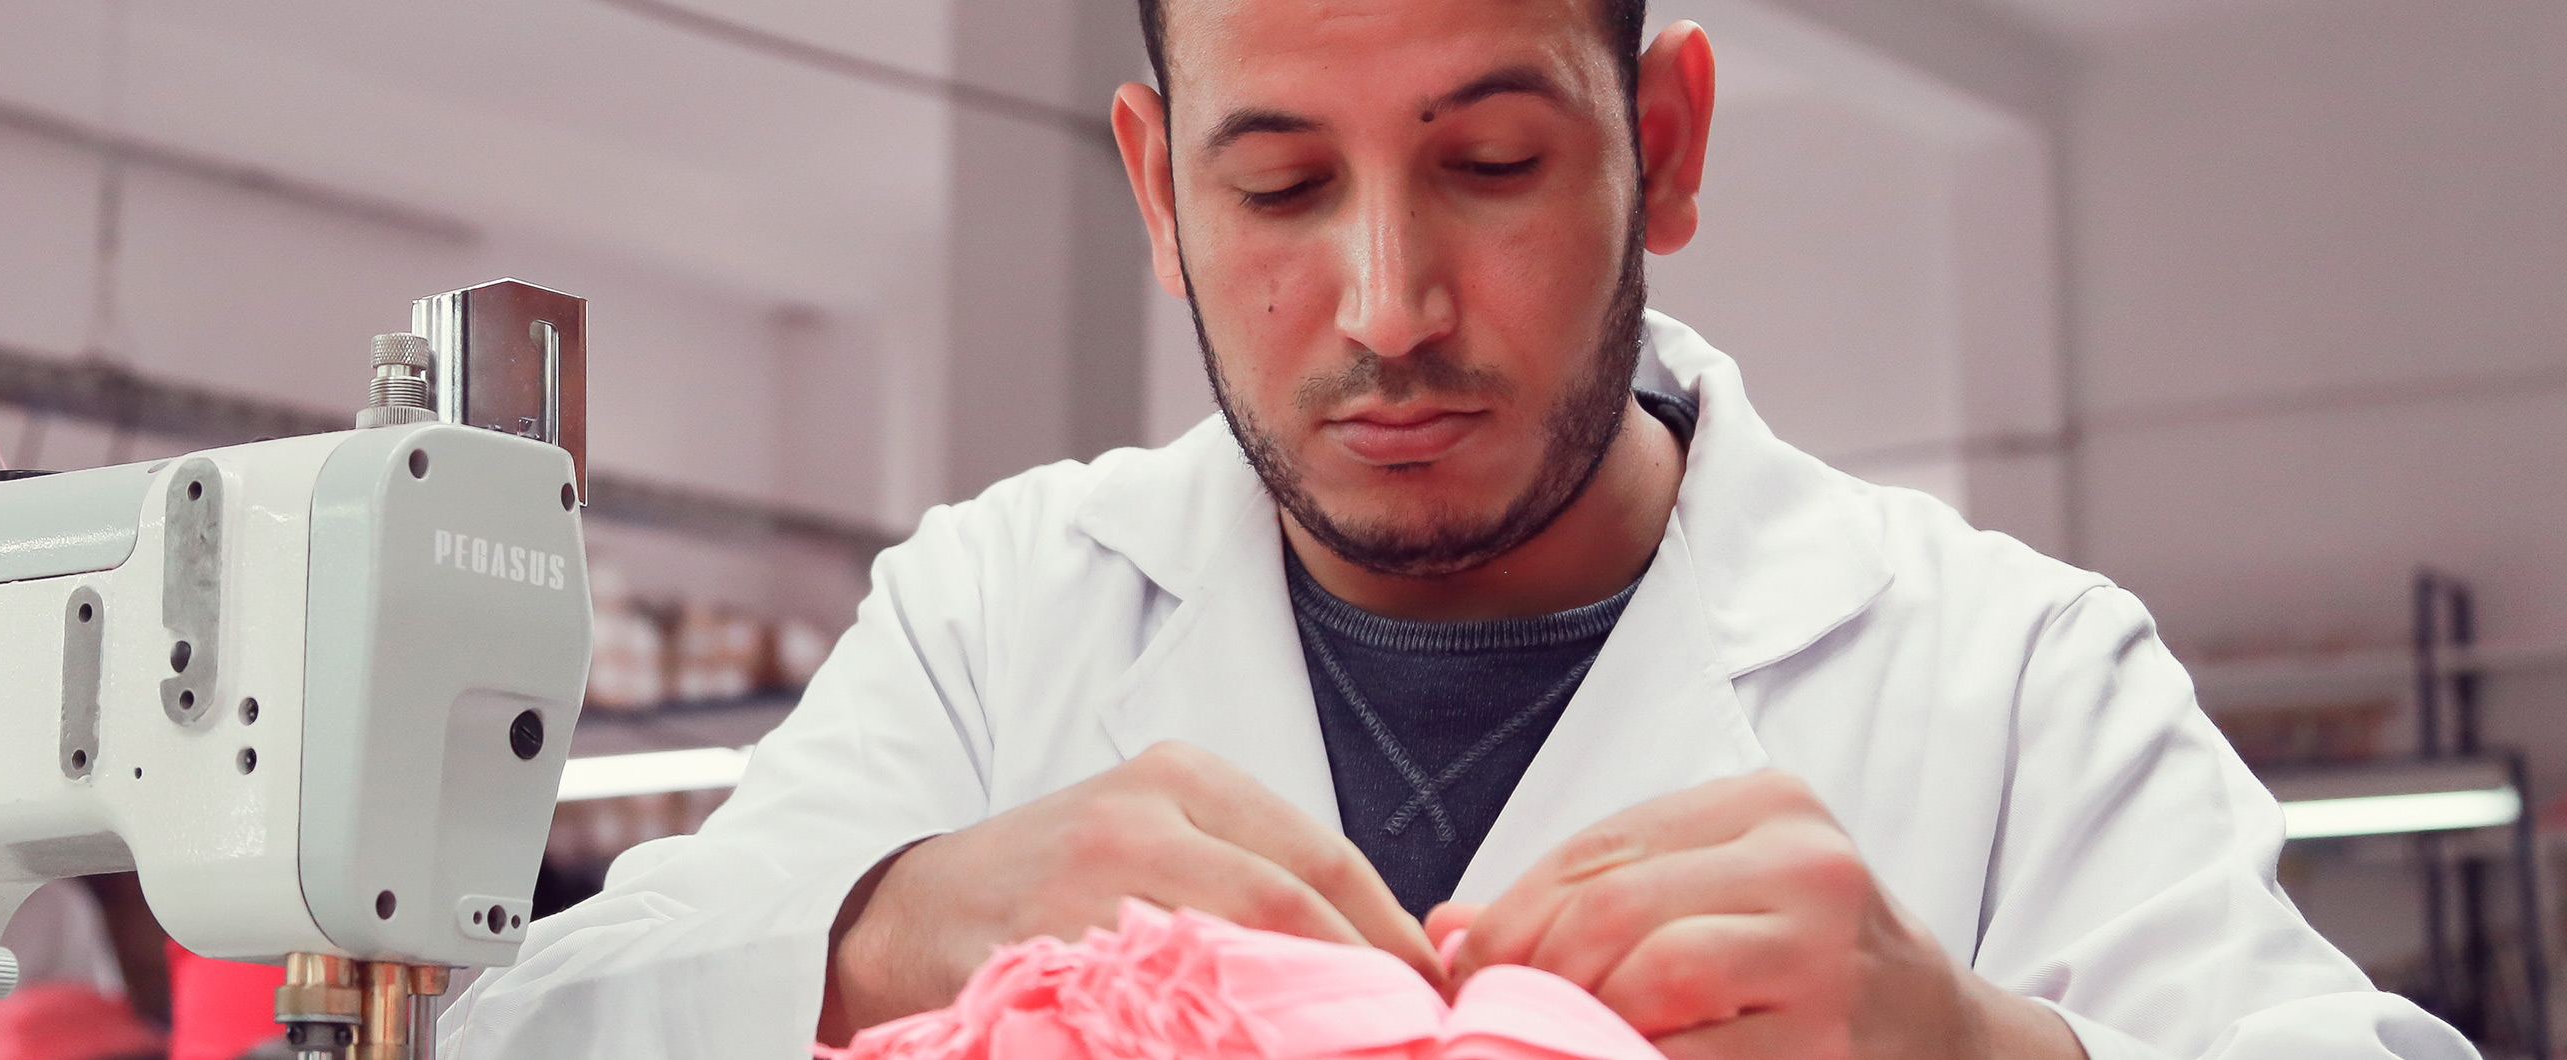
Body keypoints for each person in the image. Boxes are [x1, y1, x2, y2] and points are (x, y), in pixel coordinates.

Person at [445, 2, 2466, 1058]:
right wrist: (878, 935)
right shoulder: (1001, 618)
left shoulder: (2005, 674)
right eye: (1275, 188)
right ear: (1153, 190)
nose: (1387, 300)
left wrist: (1973, 1044)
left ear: (1659, 146)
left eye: (1490, 163)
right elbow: (517, 1029)